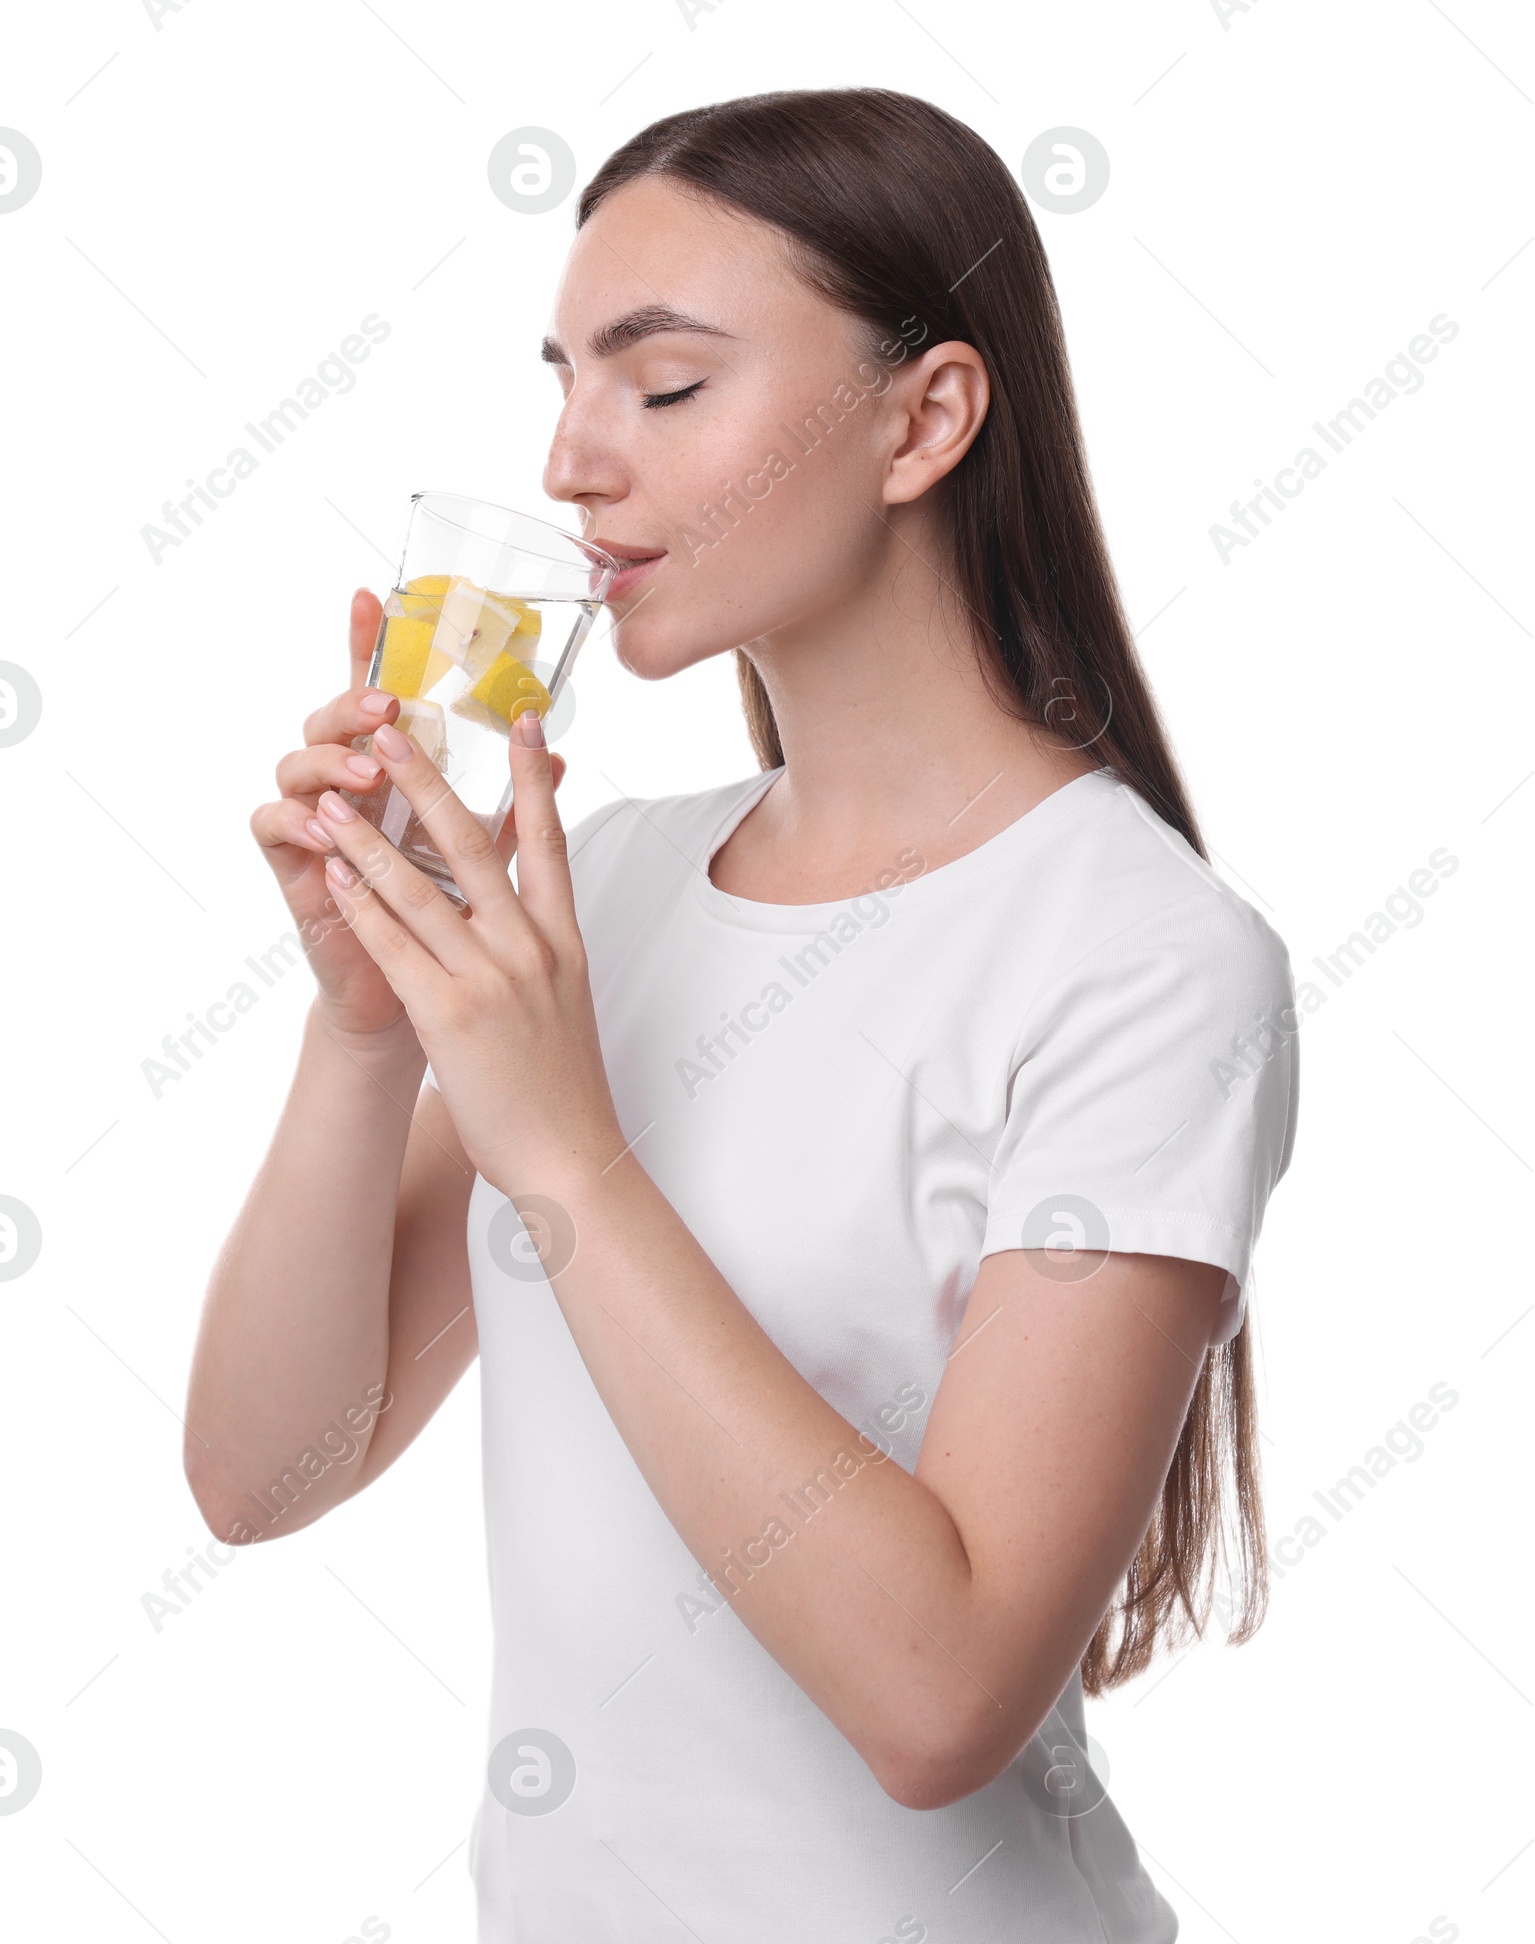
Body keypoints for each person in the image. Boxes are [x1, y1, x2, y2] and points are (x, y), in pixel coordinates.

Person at [185, 87, 1300, 1943]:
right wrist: (373, 1027)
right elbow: (260, 1473)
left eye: (666, 386)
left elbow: (941, 1699)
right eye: (565, 379)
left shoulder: (1144, 958)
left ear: (925, 417)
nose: (570, 462)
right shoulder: (602, 887)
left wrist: (561, 1146)